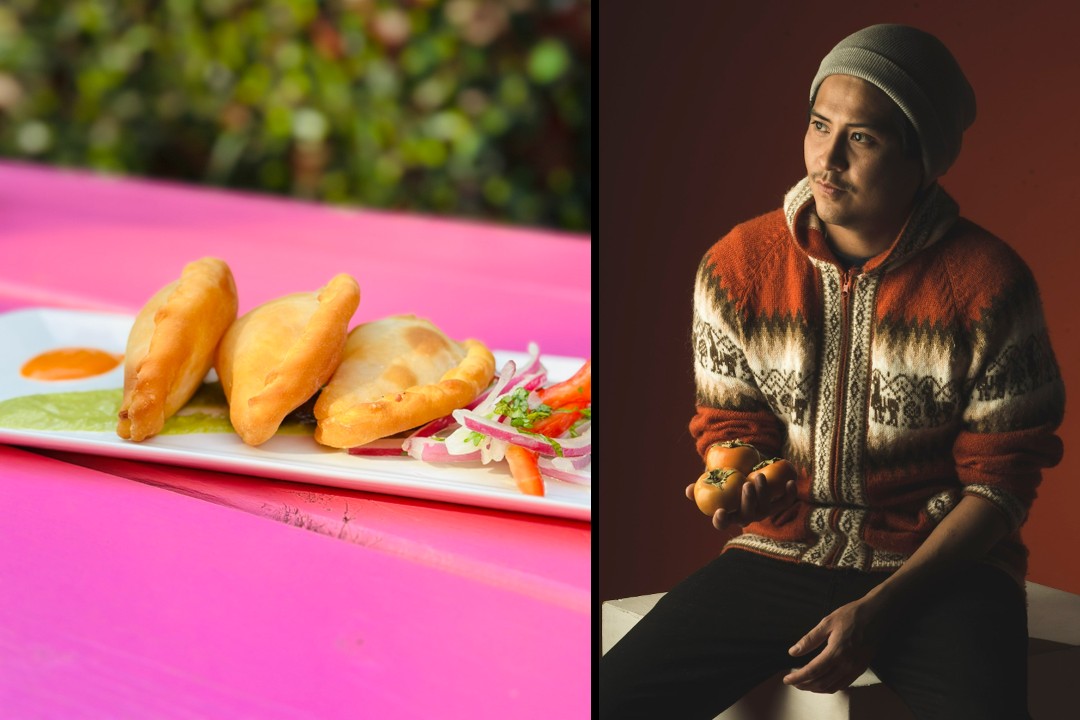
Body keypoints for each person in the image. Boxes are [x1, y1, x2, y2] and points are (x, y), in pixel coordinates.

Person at [600, 23, 1065, 720]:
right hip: (781, 552)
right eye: (821, 125)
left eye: (863, 138)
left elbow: (999, 485)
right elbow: (733, 425)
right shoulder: (736, 265)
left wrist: (878, 608)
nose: (827, 157)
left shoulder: (989, 285)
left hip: (940, 572)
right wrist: (733, 481)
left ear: (923, 159)